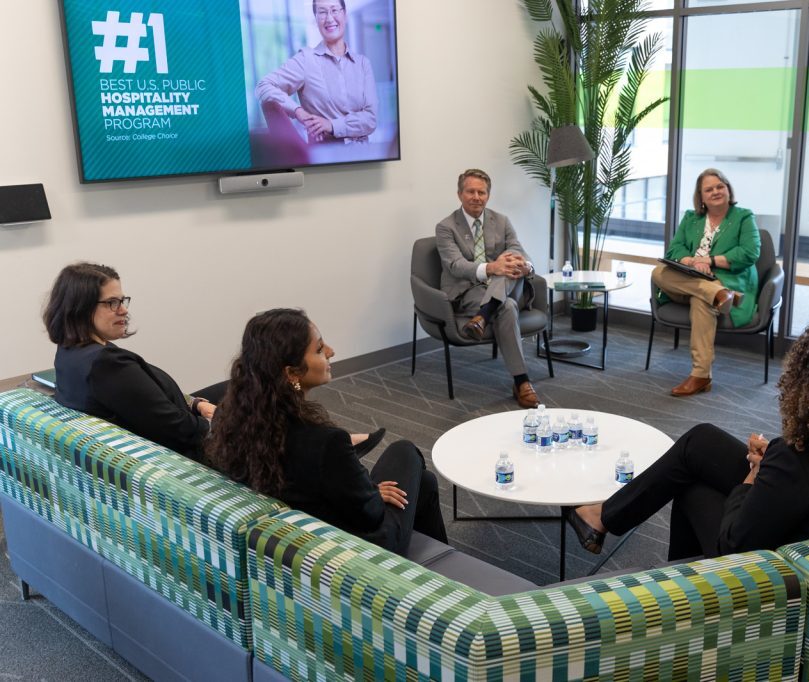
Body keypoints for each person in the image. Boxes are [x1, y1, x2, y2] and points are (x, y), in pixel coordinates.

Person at [567, 306, 809, 562]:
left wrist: (755, 477)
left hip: (784, 570)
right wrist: (775, 465)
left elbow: (735, 544)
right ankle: (603, 516)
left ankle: (688, 587)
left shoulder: (799, 461)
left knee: (691, 485)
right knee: (700, 443)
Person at [207, 309, 446, 556]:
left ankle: (446, 569)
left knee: (424, 485)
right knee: (404, 450)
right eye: (320, 350)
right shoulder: (325, 442)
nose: (331, 352)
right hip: (360, 551)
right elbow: (371, 515)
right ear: (291, 373)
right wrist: (372, 492)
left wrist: (368, 489)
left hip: (307, 530)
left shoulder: (231, 419)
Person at [42, 262, 216, 461]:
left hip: (181, 414)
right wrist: (220, 425)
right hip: (191, 450)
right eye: (112, 303)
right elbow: (176, 427)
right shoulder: (107, 365)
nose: (123, 310)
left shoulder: (71, 351)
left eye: (123, 301)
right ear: (81, 308)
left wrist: (195, 404)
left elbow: (144, 397)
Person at [435, 168, 541, 408]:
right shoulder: (445, 227)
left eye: (481, 192)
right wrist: (493, 268)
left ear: (488, 195)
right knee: (509, 306)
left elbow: (519, 251)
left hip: (506, 284)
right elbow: (455, 265)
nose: (476, 197)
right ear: (459, 194)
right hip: (468, 292)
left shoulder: (501, 221)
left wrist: (526, 267)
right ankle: (522, 382)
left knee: (511, 259)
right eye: (470, 191)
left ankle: (481, 318)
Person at [650, 168, 761, 396]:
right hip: (690, 279)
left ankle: (700, 375)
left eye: (720, 186)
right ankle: (719, 293)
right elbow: (675, 249)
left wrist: (710, 260)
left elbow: (750, 252)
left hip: (723, 278)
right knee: (659, 272)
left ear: (728, 189)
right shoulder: (691, 218)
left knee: (702, 301)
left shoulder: (743, 217)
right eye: (708, 189)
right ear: (701, 197)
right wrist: (692, 261)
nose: (715, 192)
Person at [255, 0, 377, 144]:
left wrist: (331, 125)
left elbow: (371, 119)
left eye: (334, 10)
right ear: (315, 19)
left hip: (365, 157)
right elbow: (264, 86)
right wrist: (299, 112)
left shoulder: (362, 64)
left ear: (344, 14)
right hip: (326, 159)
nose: (329, 18)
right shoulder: (305, 60)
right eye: (322, 12)